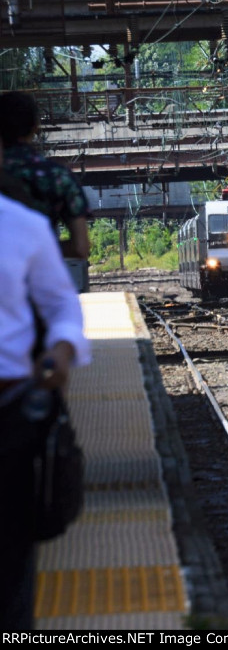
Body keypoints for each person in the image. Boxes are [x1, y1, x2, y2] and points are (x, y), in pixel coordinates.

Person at [0, 161, 91, 628]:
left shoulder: (24, 227)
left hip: (12, 406)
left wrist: (60, 351)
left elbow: (61, 305)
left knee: (12, 550)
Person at [0, 91, 90, 260]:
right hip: (37, 280)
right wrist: (38, 247)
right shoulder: (58, 177)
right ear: (35, 127)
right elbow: (80, 248)